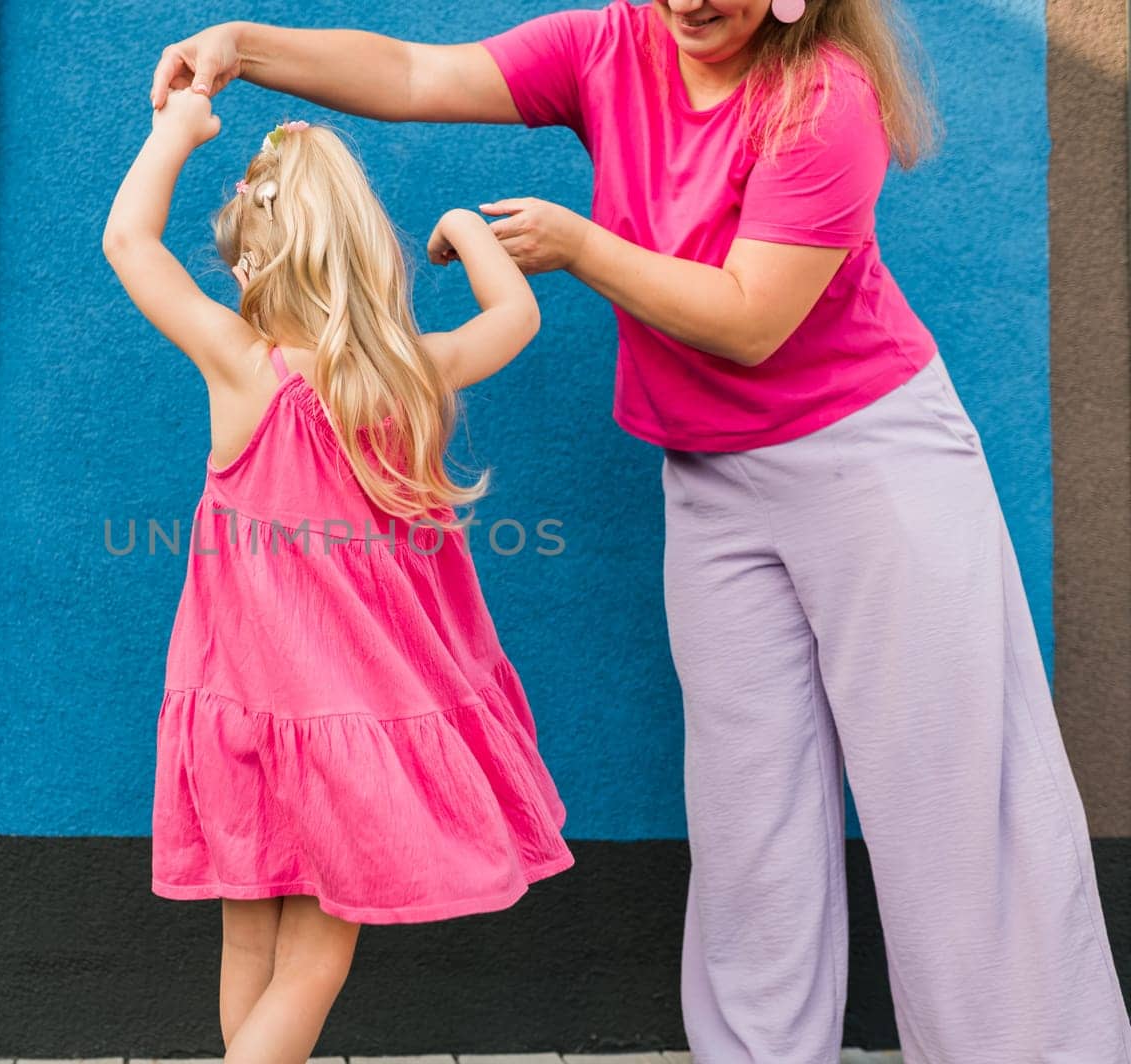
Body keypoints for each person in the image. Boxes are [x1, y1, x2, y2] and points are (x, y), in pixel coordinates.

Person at [146, 2, 1131, 1062]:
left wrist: (578, 244)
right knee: (749, 812)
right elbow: (414, 74)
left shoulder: (827, 96)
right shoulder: (606, 47)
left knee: (947, 791)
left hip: (869, 456)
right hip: (710, 473)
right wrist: (244, 48)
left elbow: (752, 320)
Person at [101, 89, 573, 1063]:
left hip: (236, 715)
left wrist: (176, 133)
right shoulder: (412, 374)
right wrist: (460, 231)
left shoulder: (240, 367)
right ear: (364, 254)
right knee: (313, 961)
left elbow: (129, 245)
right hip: (353, 727)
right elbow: (517, 312)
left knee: (247, 940)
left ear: (248, 258)